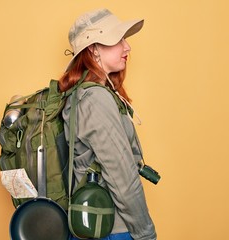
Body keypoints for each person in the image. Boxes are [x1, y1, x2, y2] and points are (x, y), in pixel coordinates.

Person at [59, 8, 157, 240]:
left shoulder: (85, 94)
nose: (127, 47)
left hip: (95, 226)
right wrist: (146, 234)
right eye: (118, 39)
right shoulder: (95, 100)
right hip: (111, 230)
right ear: (93, 49)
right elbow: (122, 177)